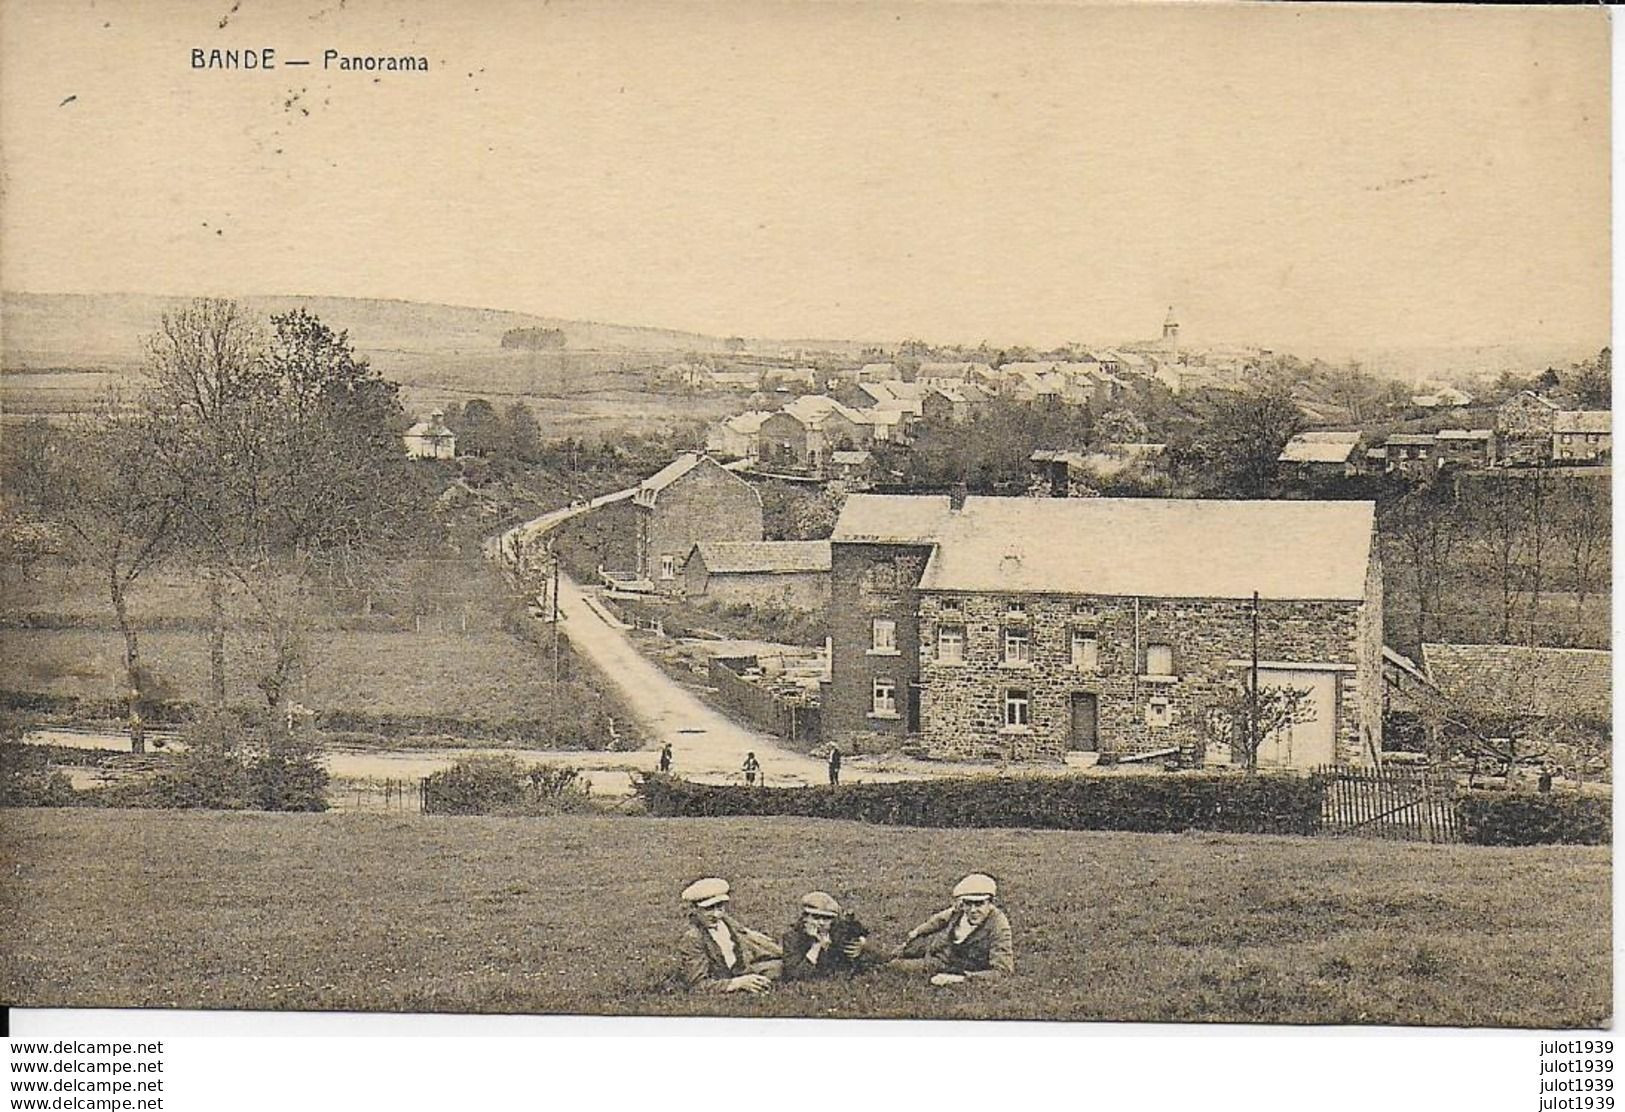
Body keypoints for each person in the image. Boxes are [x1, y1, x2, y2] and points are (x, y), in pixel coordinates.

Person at [892, 873, 1013, 986]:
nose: (973, 910)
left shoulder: (999, 926)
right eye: (968, 904)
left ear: (991, 903)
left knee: (896, 966)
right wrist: (917, 932)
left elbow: (1003, 972)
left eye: (979, 904)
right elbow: (939, 919)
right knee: (892, 958)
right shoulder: (958, 910)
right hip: (938, 950)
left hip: (953, 965)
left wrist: (960, 979)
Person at [676, 877, 783, 993]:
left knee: (786, 966)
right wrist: (737, 983)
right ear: (694, 909)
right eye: (708, 909)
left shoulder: (726, 922)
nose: (717, 914)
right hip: (725, 978)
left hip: (744, 968)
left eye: (720, 907)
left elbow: (753, 940)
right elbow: (698, 985)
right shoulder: (693, 938)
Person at [780, 891, 882, 981]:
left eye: (826, 919)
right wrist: (816, 946)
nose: (821, 923)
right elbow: (796, 975)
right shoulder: (793, 938)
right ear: (805, 918)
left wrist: (862, 944)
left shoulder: (838, 933)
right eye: (815, 917)